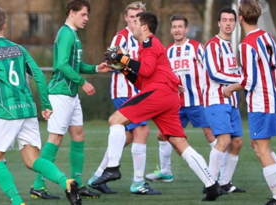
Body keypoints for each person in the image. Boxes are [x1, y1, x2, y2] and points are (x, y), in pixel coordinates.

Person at [0, 6, 87, 205]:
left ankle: (18, 202)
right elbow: (38, 76)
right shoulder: (19, 49)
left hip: (7, 113)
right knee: (32, 160)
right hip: (28, 110)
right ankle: (66, 181)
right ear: (5, 25)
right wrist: (44, 102)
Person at [91, 11, 222, 201]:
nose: (132, 26)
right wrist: (123, 68)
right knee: (180, 144)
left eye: (135, 23)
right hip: (166, 96)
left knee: (115, 120)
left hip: (159, 94)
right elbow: (142, 81)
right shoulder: (148, 45)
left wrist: (124, 58)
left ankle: (112, 168)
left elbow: (146, 69)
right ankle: (211, 185)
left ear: (145, 27)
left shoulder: (148, 42)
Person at [30, 0, 110, 199]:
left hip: (71, 95)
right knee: (55, 138)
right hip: (60, 94)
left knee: (78, 134)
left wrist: (95, 69)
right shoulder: (66, 33)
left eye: (87, 15)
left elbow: (76, 64)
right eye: (83, 14)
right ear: (72, 13)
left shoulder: (73, 34)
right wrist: (83, 82)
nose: (86, 19)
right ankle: (38, 186)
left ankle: (79, 183)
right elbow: (62, 65)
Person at [224, 1, 276, 204]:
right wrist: (273, 88)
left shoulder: (246, 44)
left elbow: (249, 81)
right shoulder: (268, 37)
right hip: (272, 99)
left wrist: (229, 89)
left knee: (261, 149)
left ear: (240, 18)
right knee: (258, 145)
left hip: (262, 102)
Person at [87, 1, 160, 195]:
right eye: (132, 16)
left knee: (127, 137)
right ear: (126, 18)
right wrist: (122, 64)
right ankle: (138, 183)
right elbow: (110, 61)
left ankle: (97, 177)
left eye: (139, 16)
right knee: (142, 131)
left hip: (139, 92)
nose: (135, 19)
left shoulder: (145, 38)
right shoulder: (121, 37)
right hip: (124, 91)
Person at [145, 14, 216, 184]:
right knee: (162, 135)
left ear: (186, 29)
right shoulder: (167, 51)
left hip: (198, 100)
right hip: (175, 103)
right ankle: (166, 172)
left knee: (211, 135)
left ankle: (217, 175)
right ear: (171, 30)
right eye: (174, 27)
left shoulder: (197, 48)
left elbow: (210, 70)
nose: (177, 29)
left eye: (180, 26)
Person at [202, 7, 245, 193]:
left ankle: (225, 182)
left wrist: (242, 76)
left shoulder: (229, 47)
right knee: (224, 140)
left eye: (231, 20)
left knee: (237, 142)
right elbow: (214, 73)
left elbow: (234, 73)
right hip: (215, 100)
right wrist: (242, 80)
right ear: (218, 23)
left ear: (235, 24)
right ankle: (210, 184)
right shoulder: (213, 45)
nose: (228, 23)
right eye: (224, 20)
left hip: (231, 102)